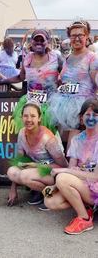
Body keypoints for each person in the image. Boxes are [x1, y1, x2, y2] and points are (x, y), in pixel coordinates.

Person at [44, 99, 98, 235]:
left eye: (95, 115)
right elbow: (72, 170)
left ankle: (84, 218)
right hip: (83, 186)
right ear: (81, 119)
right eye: (87, 115)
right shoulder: (77, 140)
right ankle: (87, 208)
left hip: (95, 186)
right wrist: (54, 187)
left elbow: (95, 177)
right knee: (50, 201)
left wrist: (62, 171)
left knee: (61, 178)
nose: (91, 118)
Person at [0, 29, 63, 134]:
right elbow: (20, 77)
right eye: (36, 40)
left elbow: (66, 75)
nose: (39, 42)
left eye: (42, 40)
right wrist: (2, 81)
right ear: (32, 42)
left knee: (49, 137)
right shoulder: (27, 58)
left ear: (47, 42)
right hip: (31, 104)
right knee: (30, 136)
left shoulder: (56, 58)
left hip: (50, 105)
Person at [7, 103, 68, 208]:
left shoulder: (47, 137)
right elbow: (19, 160)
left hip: (53, 173)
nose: (29, 119)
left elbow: (63, 166)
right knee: (11, 171)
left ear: (39, 118)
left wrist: (37, 165)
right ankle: (40, 192)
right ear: (21, 117)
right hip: (36, 168)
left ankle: (51, 195)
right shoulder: (22, 133)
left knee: (24, 175)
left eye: (33, 116)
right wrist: (13, 189)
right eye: (26, 116)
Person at [49, 20, 98, 148]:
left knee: (73, 149)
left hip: (81, 108)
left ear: (87, 36)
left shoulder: (92, 57)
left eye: (80, 35)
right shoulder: (67, 58)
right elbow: (63, 81)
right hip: (61, 105)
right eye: (73, 35)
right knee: (60, 146)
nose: (76, 38)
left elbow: (95, 76)